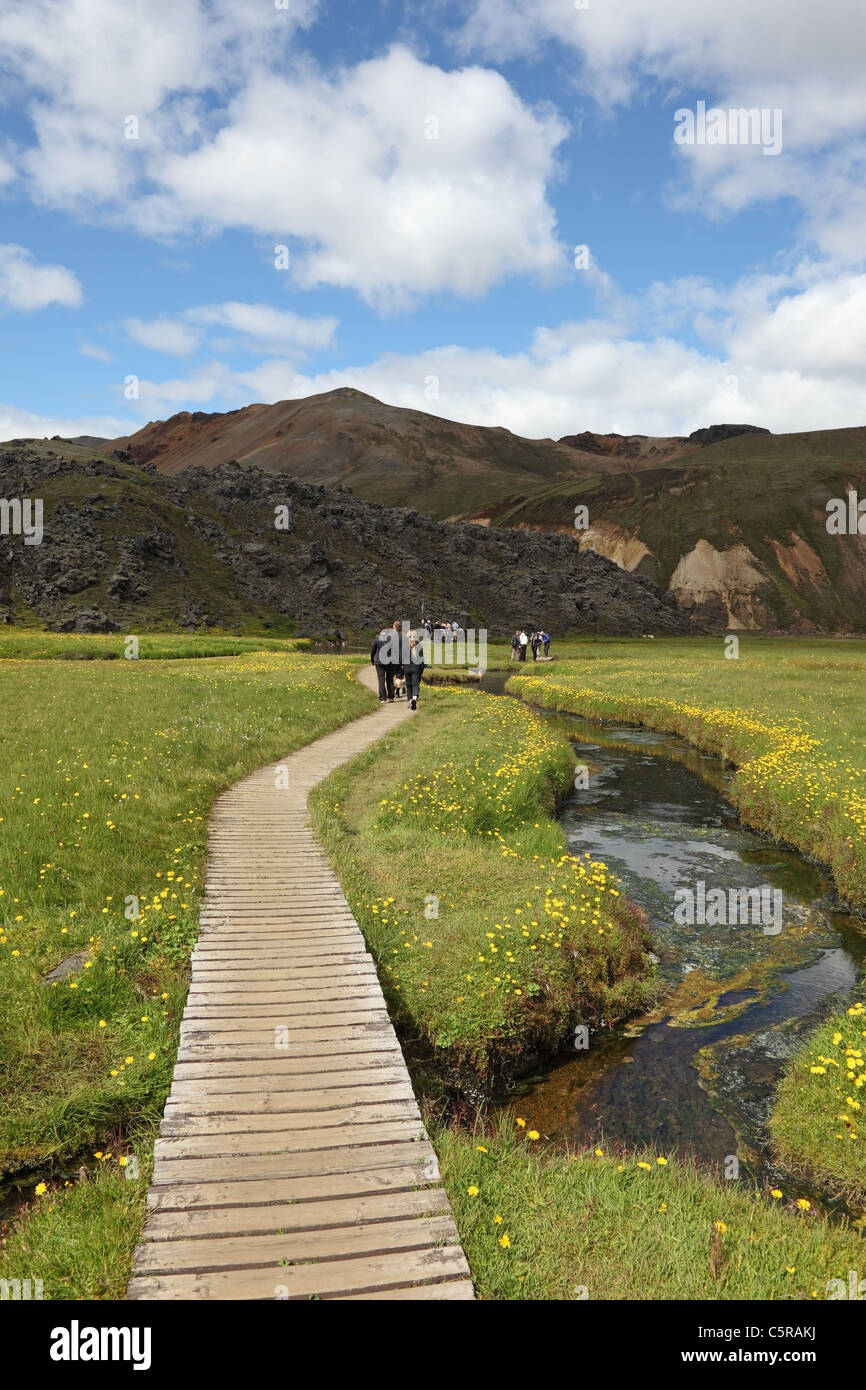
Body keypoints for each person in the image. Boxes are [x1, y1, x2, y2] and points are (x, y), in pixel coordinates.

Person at [370, 620, 402, 702]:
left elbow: (373, 651)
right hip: (390, 662)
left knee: (381, 679)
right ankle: (391, 697)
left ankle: (382, 698)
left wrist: (372, 660)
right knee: (390, 679)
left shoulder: (377, 639)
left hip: (379, 662)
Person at [403, 629, 425, 710]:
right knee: (415, 685)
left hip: (407, 668)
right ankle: (414, 698)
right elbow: (422, 660)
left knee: (409, 685)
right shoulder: (419, 646)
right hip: (416, 668)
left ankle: (410, 701)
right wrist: (421, 671)